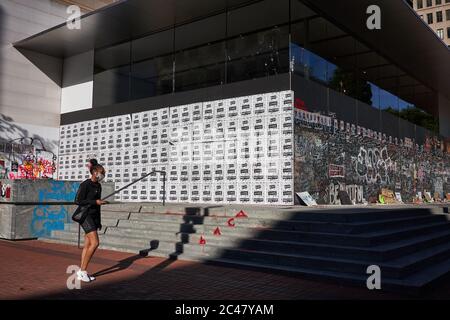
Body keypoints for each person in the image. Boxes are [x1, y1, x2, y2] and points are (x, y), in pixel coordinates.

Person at [74, 164, 108, 282]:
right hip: (85, 215)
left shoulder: (98, 185)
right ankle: (83, 271)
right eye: (101, 172)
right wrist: (95, 201)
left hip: (93, 217)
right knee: (95, 243)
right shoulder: (85, 184)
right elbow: (78, 200)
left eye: (103, 172)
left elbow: (97, 206)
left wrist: (98, 222)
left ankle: (81, 272)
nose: (102, 174)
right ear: (94, 172)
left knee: (88, 245)